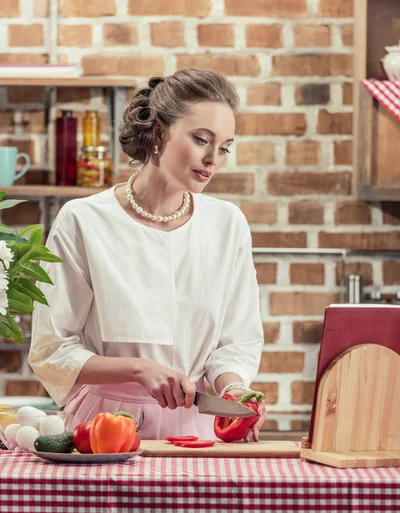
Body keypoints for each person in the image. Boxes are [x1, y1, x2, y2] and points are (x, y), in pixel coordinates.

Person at [28, 68, 266, 442]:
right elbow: (52, 350)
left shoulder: (227, 224)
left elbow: (236, 343)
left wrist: (234, 389)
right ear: (158, 133)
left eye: (223, 147)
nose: (213, 159)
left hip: (198, 431)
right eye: (201, 139)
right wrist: (139, 369)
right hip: (103, 428)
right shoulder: (84, 220)